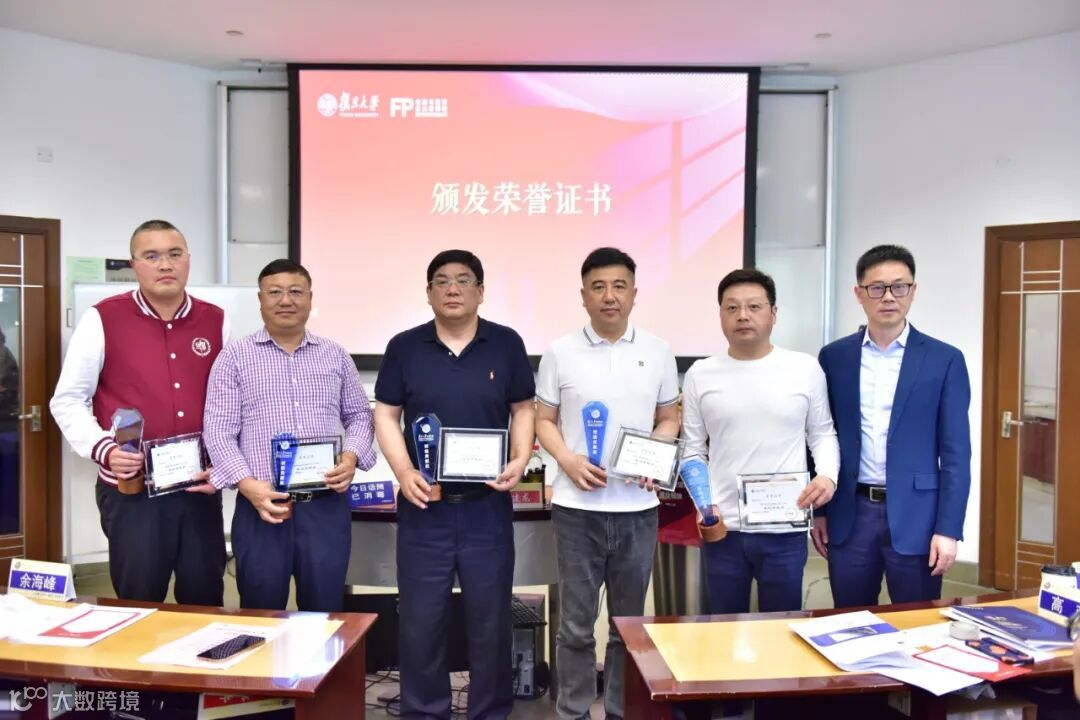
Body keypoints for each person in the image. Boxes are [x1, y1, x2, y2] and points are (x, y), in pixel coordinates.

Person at [374, 249, 535, 720]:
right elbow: (386, 414)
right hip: (426, 507)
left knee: (490, 621)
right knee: (421, 621)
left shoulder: (506, 343)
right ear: (428, 293)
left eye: (464, 280)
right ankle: (425, 712)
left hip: (487, 507)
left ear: (480, 292)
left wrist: (520, 458)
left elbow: (523, 407)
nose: (452, 289)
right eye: (441, 281)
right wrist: (404, 472)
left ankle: (490, 712)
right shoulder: (404, 346)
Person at [535, 247, 679, 720]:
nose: (609, 296)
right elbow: (544, 420)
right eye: (598, 287)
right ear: (583, 296)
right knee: (575, 627)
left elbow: (669, 416)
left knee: (627, 628)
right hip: (577, 511)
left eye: (619, 286)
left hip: (637, 511)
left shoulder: (658, 351)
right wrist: (566, 459)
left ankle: (620, 711)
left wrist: (654, 453)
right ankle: (573, 713)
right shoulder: (560, 352)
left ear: (634, 293)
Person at [50, 219, 227, 604]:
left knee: (205, 597)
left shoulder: (215, 320)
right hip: (133, 491)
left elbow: (229, 402)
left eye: (174, 254)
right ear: (134, 265)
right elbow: (67, 399)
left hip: (198, 488)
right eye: (152, 256)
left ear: (188, 259)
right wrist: (105, 450)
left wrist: (225, 465)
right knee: (139, 600)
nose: (165, 264)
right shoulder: (103, 318)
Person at [203, 258, 376, 612]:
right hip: (263, 504)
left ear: (310, 299)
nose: (286, 300)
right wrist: (247, 485)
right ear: (260, 299)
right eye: (275, 292)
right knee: (261, 612)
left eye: (296, 291)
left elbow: (360, 414)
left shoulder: (335, 355)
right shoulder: (234, 357)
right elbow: (218, 430)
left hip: (325, 505)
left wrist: (351, 457)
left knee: (326, 611)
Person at [814, 244, 971, 607]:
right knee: (850, 619)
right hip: (850, 513)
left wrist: (948, 528)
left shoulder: (944, 359)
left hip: (919, 516)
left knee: (917, 621)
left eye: (899, 286)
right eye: (877, 288)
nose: (888, 297)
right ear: (859, 294)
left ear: (913, 291)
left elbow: (956, 454)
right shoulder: (835, 357)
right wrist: (819, 512)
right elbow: (822, 435)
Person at [681, 268, 839, 614]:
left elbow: (822, 432)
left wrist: (828, 476)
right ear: (720, 315)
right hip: (723, 527)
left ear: (773, 313)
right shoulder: (700, 374)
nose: (743, 315)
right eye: (732, 307)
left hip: (784, 524)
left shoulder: (804, 368)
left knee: (781, 626)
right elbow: (691, 450)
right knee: (723, 627)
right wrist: (705, 505)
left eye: (754, 306)